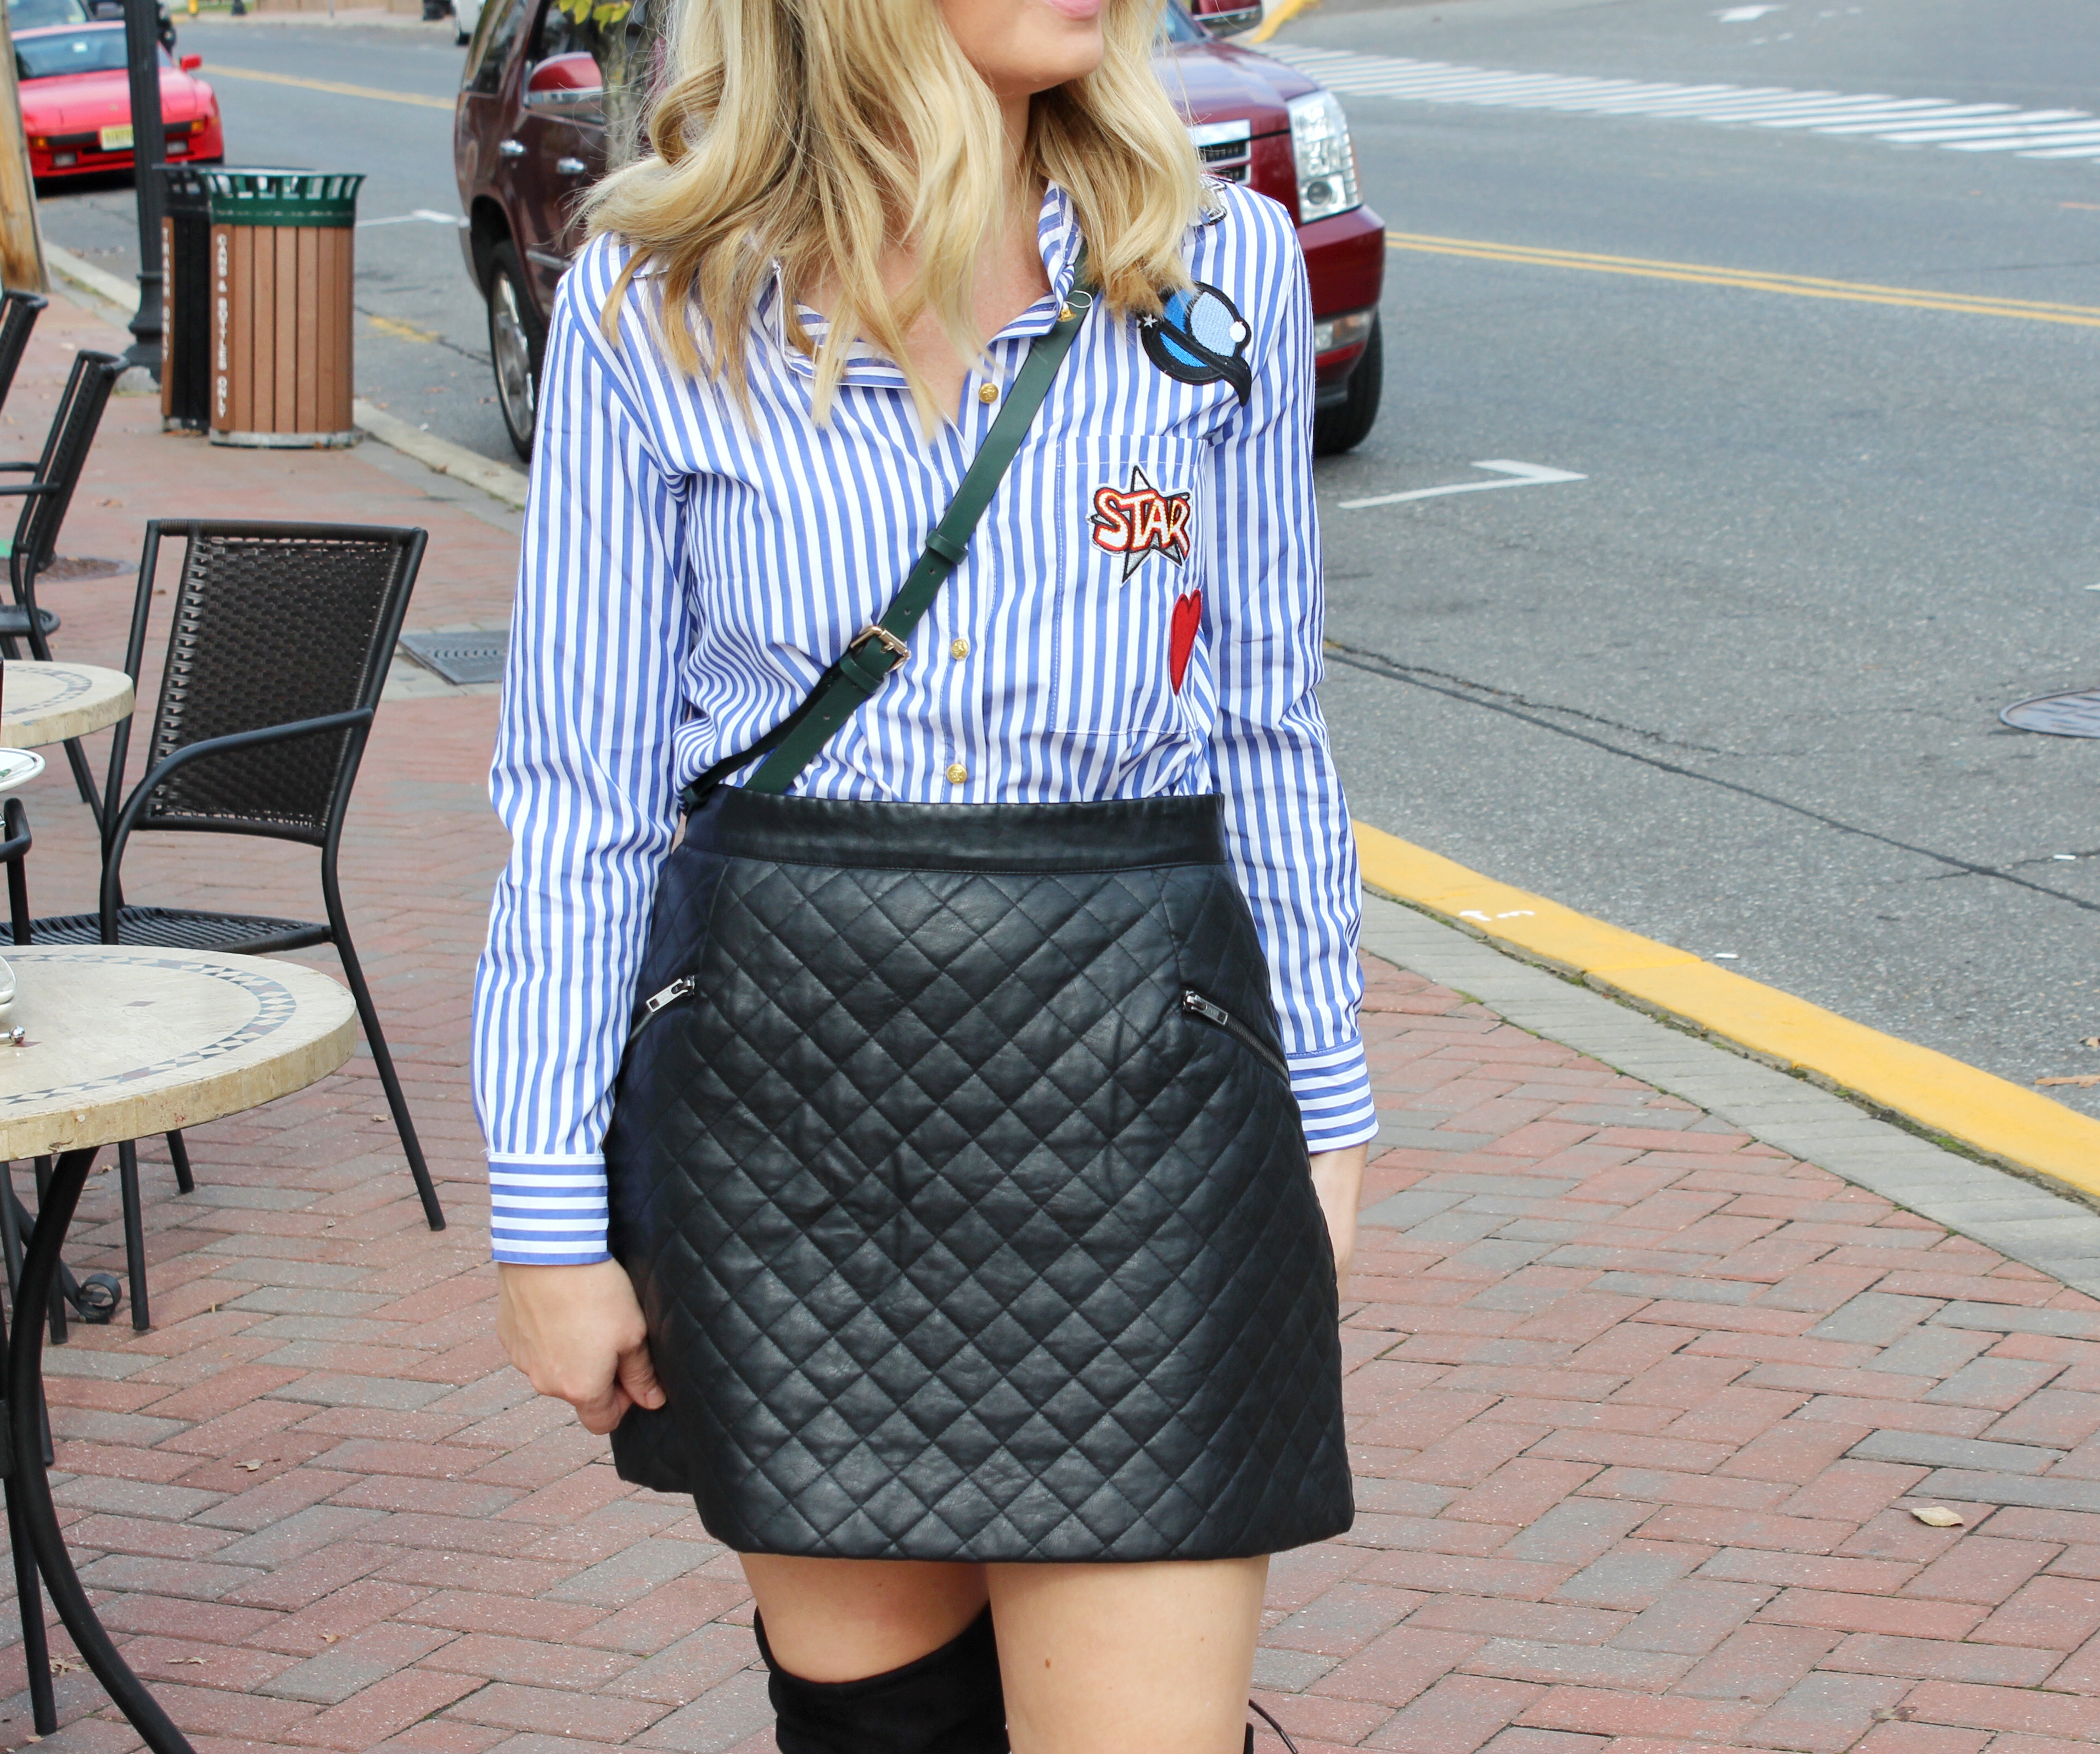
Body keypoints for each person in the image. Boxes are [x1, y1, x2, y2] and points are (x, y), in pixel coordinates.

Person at [471, 0, 1377, 1743]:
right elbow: (583, 796)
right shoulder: (651, 304)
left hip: (1148, 1103)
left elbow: (1270, 730)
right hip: (787, 1117)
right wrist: (544, 1213)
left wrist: (1323, 1120)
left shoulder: (1218, 270)